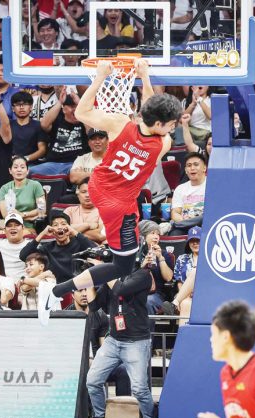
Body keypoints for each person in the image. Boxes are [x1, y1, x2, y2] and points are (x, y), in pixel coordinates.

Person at [45, 60, 181, 309]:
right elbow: (152, 116)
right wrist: (144, 78)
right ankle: (56, 291)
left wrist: (99, 78)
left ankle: (67, 282)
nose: (174, 126)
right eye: (172, 123)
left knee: (123, 256)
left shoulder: (120, 124)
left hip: (98, 185)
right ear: (161, 125)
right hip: (117, 205)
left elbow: (81, 113)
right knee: (123, 266)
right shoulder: (164, 144)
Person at [84, 267, 158, 418]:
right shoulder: (113, 279)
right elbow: (94, 306)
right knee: (93, 380)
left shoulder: (142, 274)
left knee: (139, 388)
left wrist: (106, 273)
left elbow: (121, 289)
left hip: (136, 341)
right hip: (113, 340)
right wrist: (90, 281)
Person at [19, 212, 97, 283]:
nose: (60, 227)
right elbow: (23, 256)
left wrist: (74, 232)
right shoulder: (47, 248)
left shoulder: (79, 243)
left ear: (69, 227)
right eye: (55, 225)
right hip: (56, 289)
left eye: (63, 224)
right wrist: (42, 234)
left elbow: (96, 252)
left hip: (78, 287)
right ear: (52, 230)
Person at [0, 156, 46, 233]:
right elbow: (5, 214)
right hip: (10, 224)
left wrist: (23, 215)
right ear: (10, 170)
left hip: (29, 225)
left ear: (27, 171)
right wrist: (29, 216)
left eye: (22, 167)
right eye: (15, 167)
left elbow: (42, 210)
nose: (19, 170)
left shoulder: (36, 185)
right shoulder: (4, 188)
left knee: (22, 233)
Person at [169, 153, 207, 236]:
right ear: (186, 170)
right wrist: (186, 222)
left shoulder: (212, 185)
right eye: (189, 165)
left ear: (204, 168)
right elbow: (175, 213)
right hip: (185, 226)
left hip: (205, 225)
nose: (192, 168)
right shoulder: (180, 188)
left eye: (196, 165)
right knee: (174, 234)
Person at [64, 178, 106, 243]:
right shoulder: (69, 211)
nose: (87, 195)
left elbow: (101, 235)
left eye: (91, 192)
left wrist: (73, 231)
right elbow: (63, 233)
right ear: (78, 194)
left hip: (95, 249)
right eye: (83, 192)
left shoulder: (104, 211)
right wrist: (88, 225)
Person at [9, 91, 47, 162]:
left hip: (32, 164)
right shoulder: (8, 125)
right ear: (13, 108)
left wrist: (25, 159)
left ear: (31, 107)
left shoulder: (38, 125)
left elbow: (42, 149)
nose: (21, 107)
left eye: (25, 104)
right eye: (17, 104)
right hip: (11, 164)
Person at [0, 212, 31, 279]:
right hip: (1, 282)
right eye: (9, 226)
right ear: (4, 230)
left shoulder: (31, 245)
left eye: (16, 225)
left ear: (23, 228)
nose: (13, 228)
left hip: (24, 282)